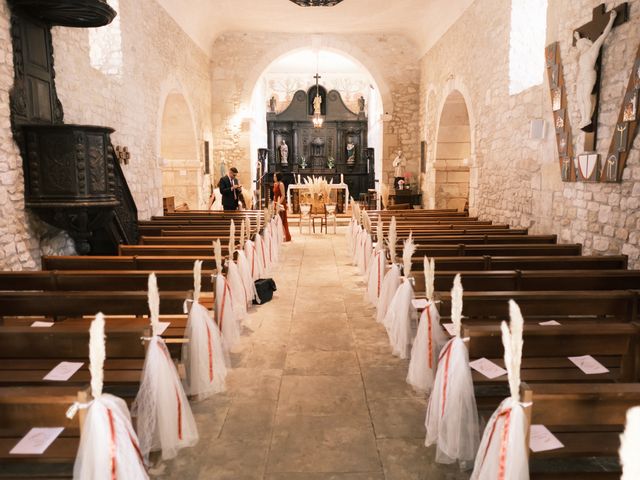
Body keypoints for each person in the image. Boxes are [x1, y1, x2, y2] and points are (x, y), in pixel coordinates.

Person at [574, 9, 616, 129]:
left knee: (586, 96)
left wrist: (611, 19)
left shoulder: (593, 50)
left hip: (589, 75)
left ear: (585, 44)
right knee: (579, 98)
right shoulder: (582, 54)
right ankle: (584, 118)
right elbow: (579, 45)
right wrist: (578, 38)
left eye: (580, 45)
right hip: (581, 77)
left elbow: (603, 35)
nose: (579, 47)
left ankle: (587, 118)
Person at [273, 172, 291, 242]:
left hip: (280, 203)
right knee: (277, 220)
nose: (273, 178)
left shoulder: (281, 184)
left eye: (275, 176)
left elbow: (283, 195)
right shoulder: (275, 184)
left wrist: (278, 203)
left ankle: (286, 236)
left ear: (278, 177)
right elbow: (275, 195)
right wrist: (274, 202)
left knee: (283, 220)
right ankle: (278, 235)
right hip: (276, 202)